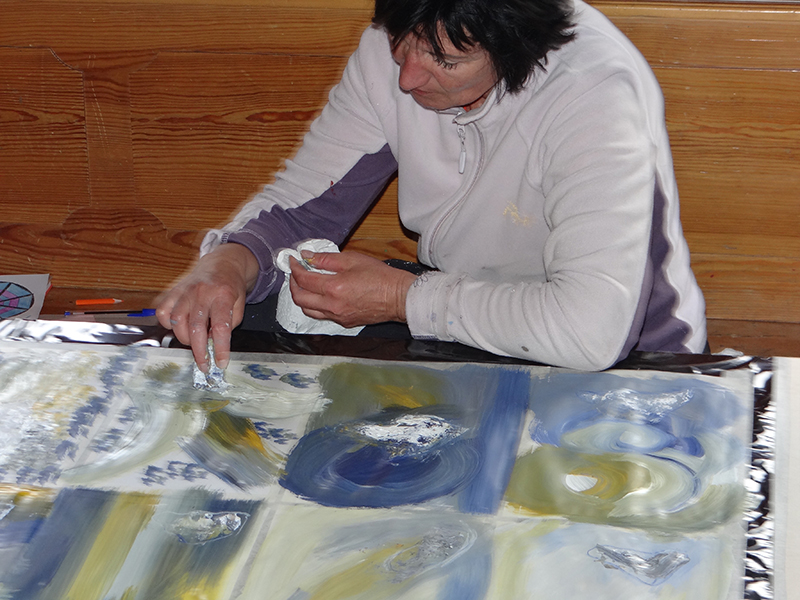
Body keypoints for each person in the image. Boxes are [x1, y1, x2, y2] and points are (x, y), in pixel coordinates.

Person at [157, 0, 707, 373]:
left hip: (631, 363)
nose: (407, 77)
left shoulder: (594, 93)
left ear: (517, 47)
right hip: (461, 327)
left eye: (445, 60)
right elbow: (307, 207)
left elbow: (589, 331)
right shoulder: (409, 35)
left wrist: (401, 298)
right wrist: (229, 261)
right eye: (402, 44)